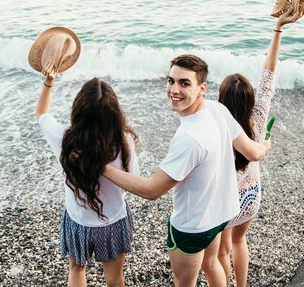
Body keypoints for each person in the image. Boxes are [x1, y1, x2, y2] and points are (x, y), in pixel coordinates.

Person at [103, 54, 271, 287]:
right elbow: (252, 153)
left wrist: (102, 169)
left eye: (184, 83)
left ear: (202, 88)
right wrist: (264, 146)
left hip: (192, 226)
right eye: (171, 80)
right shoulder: (218, 110)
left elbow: (152, 190)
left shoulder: (188, 139)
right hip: (221, 214)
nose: (174, 89)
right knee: (211, 264)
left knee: (184, 281)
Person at [216, 7, 300, 287]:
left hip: (227, 199)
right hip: (252, 195)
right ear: (250, 98)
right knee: (241, 242)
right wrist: (278, 29)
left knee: (223, 249)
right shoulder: (259, 116)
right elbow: (269, 75)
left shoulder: (219, 125)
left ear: (222, 100)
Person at [35, 61, 139, 287]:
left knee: (76, 268)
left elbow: (42, 113)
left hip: (78, 220)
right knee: (115, 279)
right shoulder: (123, 141)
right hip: (113, 220)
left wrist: (49, 82)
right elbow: (134, 180)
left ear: (78, 111)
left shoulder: (66, 139)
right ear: (114, 114)